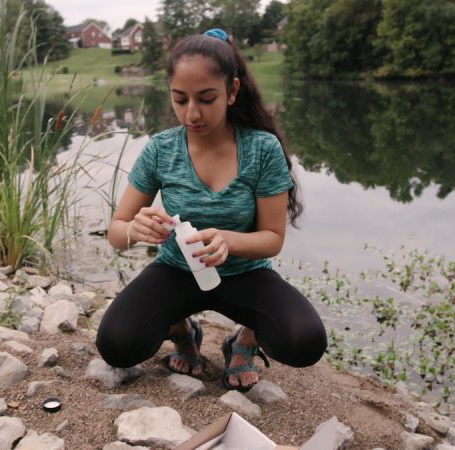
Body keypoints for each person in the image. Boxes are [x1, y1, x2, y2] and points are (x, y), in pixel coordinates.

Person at [96, 29, 327, 391]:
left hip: (245, 274)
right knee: (117, 344)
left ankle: (244, 342)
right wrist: (133, 230)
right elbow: (116, 232)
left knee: (305, 341)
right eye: (179, 99)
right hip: (176, 269)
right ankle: (183, 331)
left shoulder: (262, 149)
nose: (191, 113)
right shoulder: (160, 149)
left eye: (206, 99)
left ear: (232, 91)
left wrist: (227, 241)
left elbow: (272, 239)